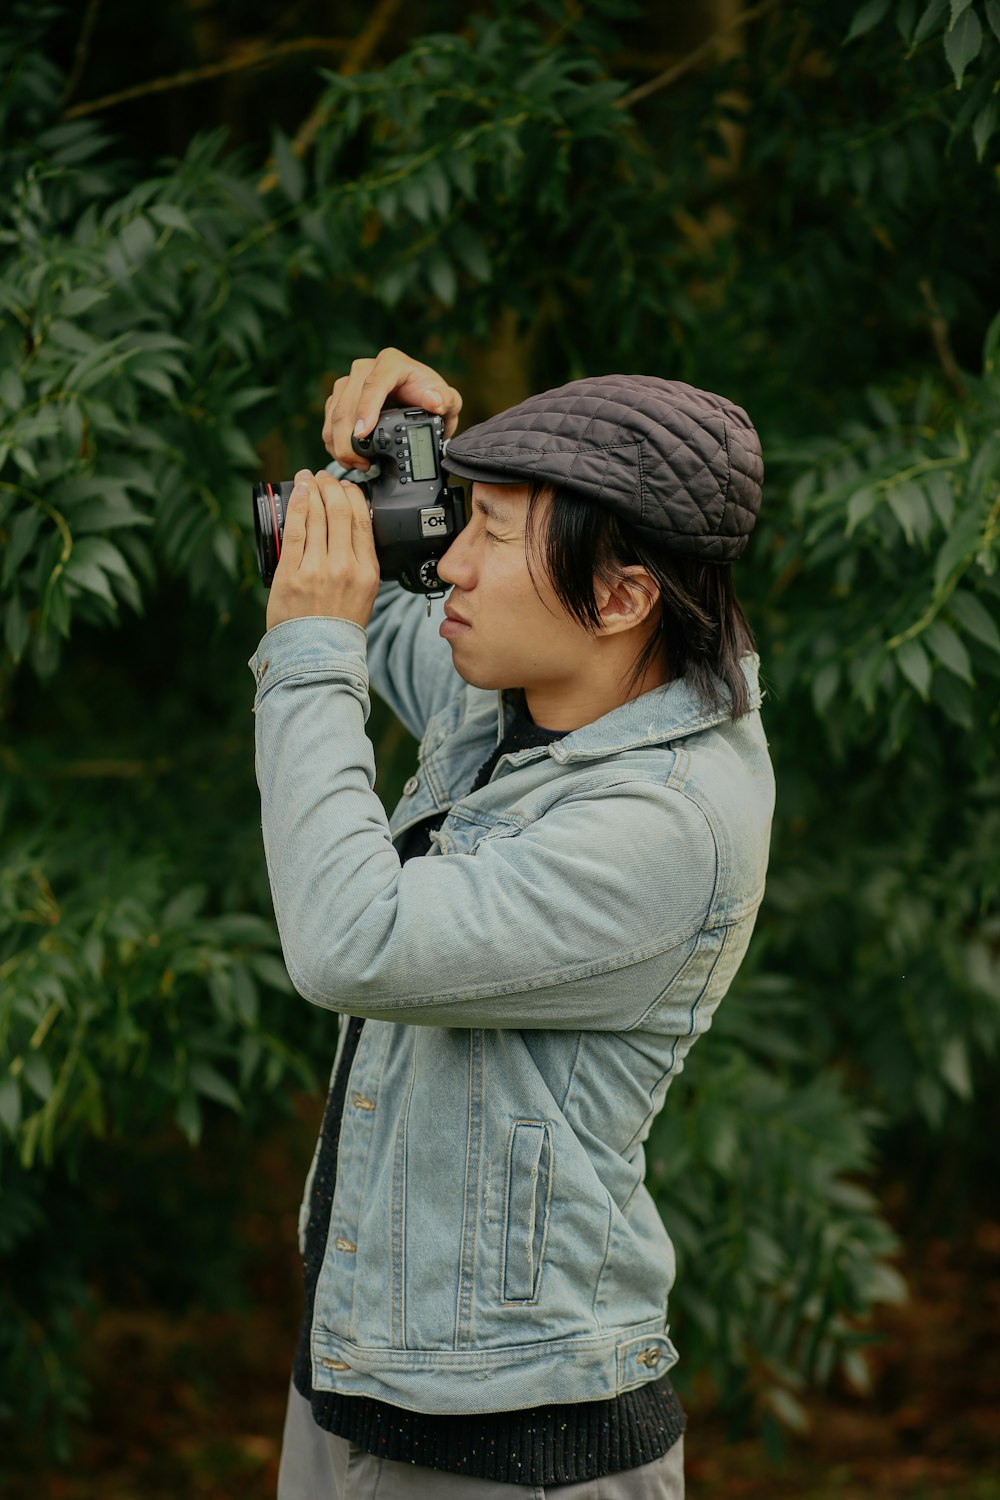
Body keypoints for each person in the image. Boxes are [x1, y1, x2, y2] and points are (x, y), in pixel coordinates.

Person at [251, 348, 776, 1499]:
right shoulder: (529, 690)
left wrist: (308, 654)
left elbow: (349, 941)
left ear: (624, 593)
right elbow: (364, 599)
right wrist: (379, 465)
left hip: (517, 1441)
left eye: (490, 531)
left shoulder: (667, 825)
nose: (451, 562)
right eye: (461, 521)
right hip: (358, 1377)